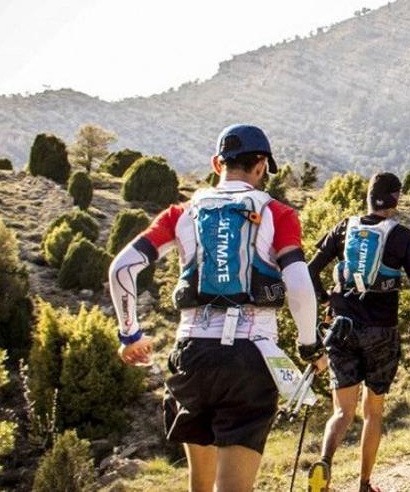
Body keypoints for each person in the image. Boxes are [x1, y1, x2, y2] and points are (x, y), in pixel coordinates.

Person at [108, 124, 325, 492]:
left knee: (201, 485)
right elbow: (300, 288)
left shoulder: (180, 214)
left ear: (216, 163)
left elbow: (122, 268)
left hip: (192, 355)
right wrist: (310, 347)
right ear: (260, 167)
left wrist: (130, 334)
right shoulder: (278, 213)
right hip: (250, 357)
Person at [306, 172, 410, 492]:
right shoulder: (402, 236)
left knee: (341, 411)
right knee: (372, 411)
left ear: (368, 196)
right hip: (381, 333)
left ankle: (324, 463)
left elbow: (310, 270)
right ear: (395, 199)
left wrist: (326, 302)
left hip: (342, 329)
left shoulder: (344, 228)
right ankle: (364, 484)